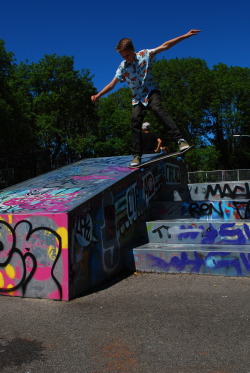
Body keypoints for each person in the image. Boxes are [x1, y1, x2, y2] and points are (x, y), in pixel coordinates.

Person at [91, 29, 201, 166]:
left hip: (151, 92)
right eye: (123, 56)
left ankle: (180, 140)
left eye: (128, 55)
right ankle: (137, 155)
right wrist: (99, 95)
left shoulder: (145, 54)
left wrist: (185, 36)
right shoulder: (122, 67)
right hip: (137, 98)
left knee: (157, 108)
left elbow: (165, 46)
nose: (126, 59)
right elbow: (112, 84)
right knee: (135, 121)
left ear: (133, 50)